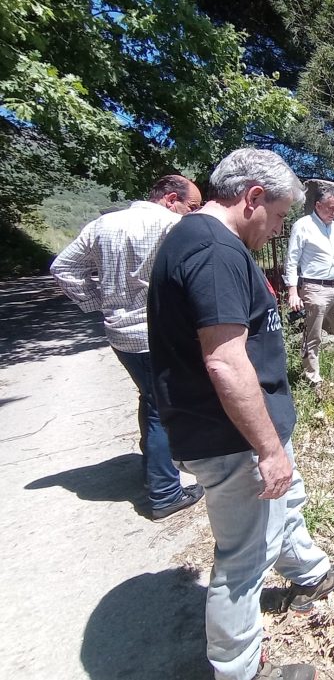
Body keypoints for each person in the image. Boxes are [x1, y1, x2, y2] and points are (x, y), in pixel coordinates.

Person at [148, 149, 334, 680]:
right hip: (233, 436)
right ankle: (238, 669)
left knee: (285, 505)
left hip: (240, 429)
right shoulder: (214, 251)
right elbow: (224, 360)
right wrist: (266, 448)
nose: (281, 228)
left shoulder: (204, 241)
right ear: (253, 198)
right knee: (243, 558)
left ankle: (308, 572)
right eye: (281, 216)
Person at [50, 174, 205, 520]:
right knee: (161, 409)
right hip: (158, 333)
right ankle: (165, 492)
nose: (190, 213)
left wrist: (97, 302)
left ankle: (154, 468)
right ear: (169, 198)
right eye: (190, 206)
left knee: (150, 398)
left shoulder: (103, 224)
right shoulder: (172, 226)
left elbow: (63, 268)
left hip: (120, 334)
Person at [284, 182, 334, 392]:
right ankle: (313, 380)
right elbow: (292, 260)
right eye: (330, 208)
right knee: (313, 336)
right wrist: (292, 292)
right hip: (314, 289)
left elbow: (331, 255)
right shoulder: (302, 225)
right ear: (318, 205)